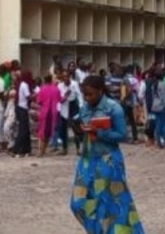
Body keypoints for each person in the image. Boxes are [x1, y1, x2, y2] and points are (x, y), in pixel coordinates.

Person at [69, 75, 145, 233]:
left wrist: (101, 132)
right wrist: (77, 128)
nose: (88, 98)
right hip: (87, 159)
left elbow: (122, 135)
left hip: (108, 160)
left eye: (91, 94)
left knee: (109, 204)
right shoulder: (85, 108)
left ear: (101, 91)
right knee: (78, 203)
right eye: (85, 95)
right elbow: (81, 126)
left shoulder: (113, 108)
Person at [35, 73, 63, 157]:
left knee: (41, 132)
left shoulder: (42, 89)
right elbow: (60, 100)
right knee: (48, 132)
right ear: (51, 80)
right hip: (53, 112)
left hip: (44, 112)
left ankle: (40, 151)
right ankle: (44, 150)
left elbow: (39, 101)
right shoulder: (56, 89)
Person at [10, 70, 35, 157]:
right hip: (22, 109)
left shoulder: (21, 84)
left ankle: (27, 150)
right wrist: (36, 94)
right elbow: (29, 97)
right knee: (23, 131)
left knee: (27, 130)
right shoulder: (25, 85)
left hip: (21, 108)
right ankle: (15, 150)